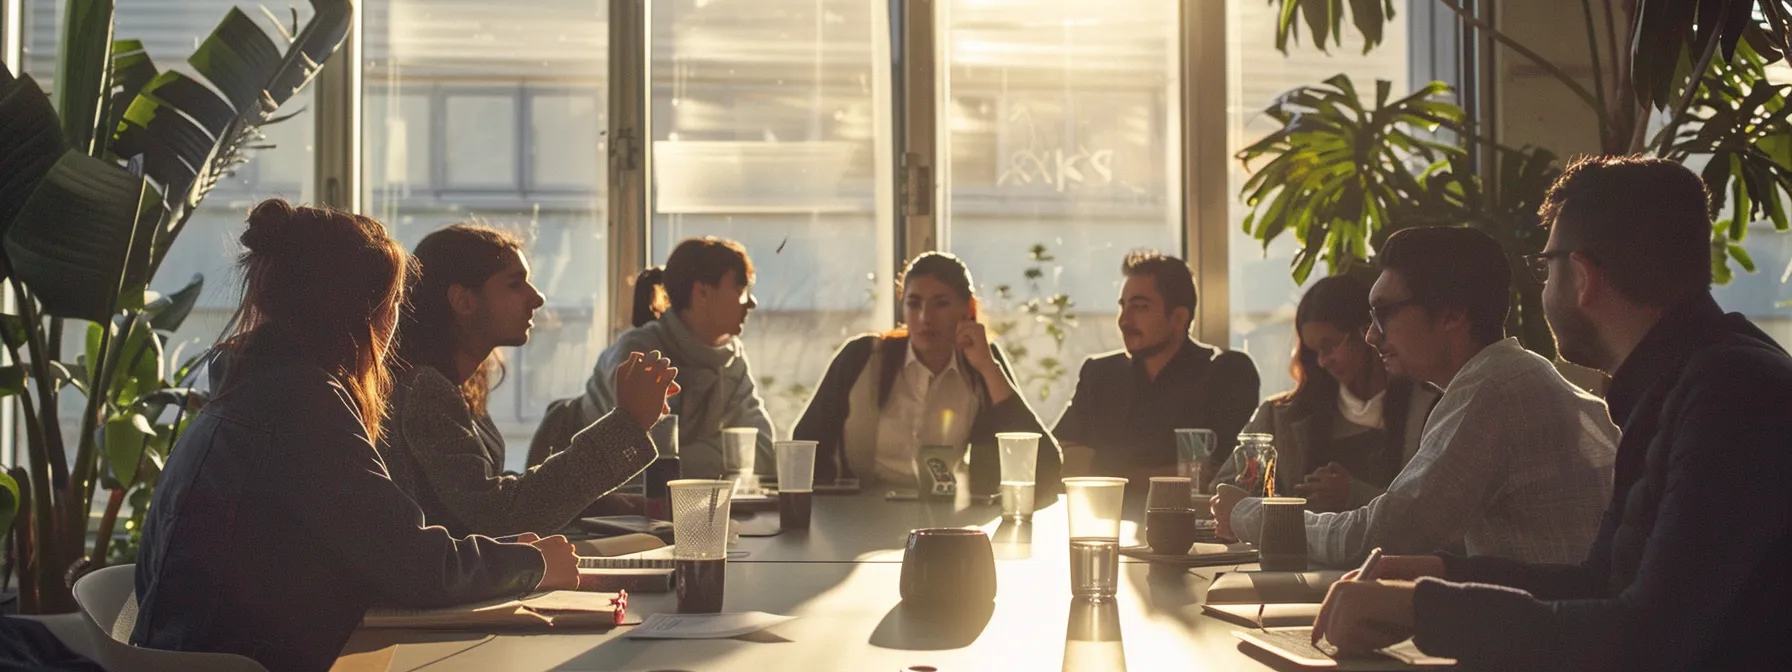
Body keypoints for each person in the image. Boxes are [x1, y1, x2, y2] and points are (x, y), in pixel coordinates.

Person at [1312, 157, 1792, 670]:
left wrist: (1424, 608)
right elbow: (1600, 583)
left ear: (1582, 276)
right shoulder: (1682, 384)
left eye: (1544, 269)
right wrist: (1438, 574)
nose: (1540, 289)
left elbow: (1651, 636)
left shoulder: (1731, 392)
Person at [130, 200, 594, 672]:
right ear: (357, 312)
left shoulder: (247, 390)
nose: (396, 328)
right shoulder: (303, 406)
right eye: (393, 306)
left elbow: (381, 549)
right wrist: (531, 565)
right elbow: (411, 564)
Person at [1213, 226, 1617, 567]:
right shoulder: (1514, 378)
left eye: (1384, 313)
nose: (1372, 336)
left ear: (1452, 315)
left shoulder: (1493, 394)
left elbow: (1380, 538)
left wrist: (1246, 514)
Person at [379, 224, 679, 537]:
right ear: (463, 300)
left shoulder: (455, 382)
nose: (536, 298)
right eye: (514, 284)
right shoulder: (425, 390)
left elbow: (475, 497)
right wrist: (627, 422)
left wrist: (605, 504)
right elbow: (498, 514)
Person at [793, 252, 1062, 497]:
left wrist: (989, 368)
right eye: (914, 304)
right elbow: (802, 448)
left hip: (944, 516)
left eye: (941, 304)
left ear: (967, 309)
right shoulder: (863, 357)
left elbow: (1045, 466)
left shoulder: (980, 364)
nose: (925, 317)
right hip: (859, 513)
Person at [1215, 275, 1441, 512]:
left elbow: (1437, 512)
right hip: (1295, 548)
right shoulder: (1280, 416)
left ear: (1368, 332)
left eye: (1330, 345)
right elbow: (1224, 490)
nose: (1323, 361)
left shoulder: (1429, 407)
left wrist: (1353, 495)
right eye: (1313, 352)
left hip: (1393, 549)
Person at [1053, 251, 1259, 484]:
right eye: (1123, 306)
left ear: (1179, 318)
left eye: (1140, 307)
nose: (1124, 320)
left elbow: (1216, 474)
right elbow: (1058, 459)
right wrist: (1162, 471)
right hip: (1102, 517)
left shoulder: (1226, 373)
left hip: (1187, 519)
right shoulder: (1099, 374)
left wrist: (1097, 464)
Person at [579, 237, 774, 480]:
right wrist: (726, 453)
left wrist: (685, 456)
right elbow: (644, 467)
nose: (751, 302)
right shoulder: (641, 355)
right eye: (740, 290)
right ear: (702, 292)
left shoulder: (732, 358)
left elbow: (765, 451)